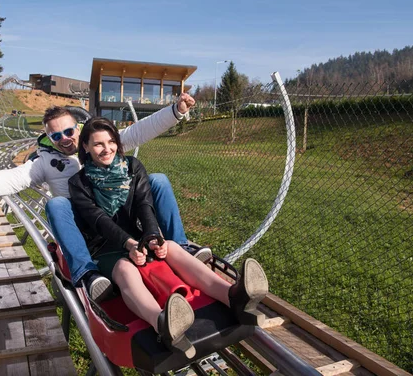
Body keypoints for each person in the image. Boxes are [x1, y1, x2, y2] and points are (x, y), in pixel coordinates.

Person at [0, 94, 206, 302]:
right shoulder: (46, 163)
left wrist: (176, 111)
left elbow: (138, 131)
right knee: (57, 203)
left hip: (119, 216)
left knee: (158, 179)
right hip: (86, 225)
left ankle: (181, 244)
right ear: (49, 139)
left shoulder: (100, 145)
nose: (65, 139)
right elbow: (8, 178)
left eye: (69, 131)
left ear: (78, 130)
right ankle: (87, 272)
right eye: (56, 135)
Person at [68, 117, 268, 358]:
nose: (107, 148)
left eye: (111, 141)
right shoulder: (78, 183)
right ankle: (161, 322)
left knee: (172, 247)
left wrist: (153, 236)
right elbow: (98, 220)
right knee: (124, 269)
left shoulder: (132, 166)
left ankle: (232, 295)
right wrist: (129, 244)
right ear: (86, 147)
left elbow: (144, 203)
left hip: (139, 240)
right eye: (98, 144)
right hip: (107, 247)